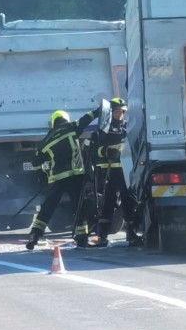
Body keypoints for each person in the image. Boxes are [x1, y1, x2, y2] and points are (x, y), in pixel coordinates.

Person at [26, 107, 100, 250]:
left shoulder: (46, 140)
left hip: (57, 178)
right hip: (75, 175)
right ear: (65, 119)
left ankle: (34, 235)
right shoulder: (72, 128)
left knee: (48, 207)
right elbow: (88, 117)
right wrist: (100, 111)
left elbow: (34, 163)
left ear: (53, 123)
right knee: (79, 206)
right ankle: (81, 238)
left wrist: (41, 175)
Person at [91, 98, 143, 247]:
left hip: (126, 172)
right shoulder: (103, 130)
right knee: (108, 203)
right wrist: (107, 151)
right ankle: (102, 236)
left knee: (130, 202)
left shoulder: (127, 128)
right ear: (110, 113)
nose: (120, 114)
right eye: (117, 111)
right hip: (110, 172)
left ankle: (132, 235)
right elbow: (94, 152)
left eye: (122, 111)